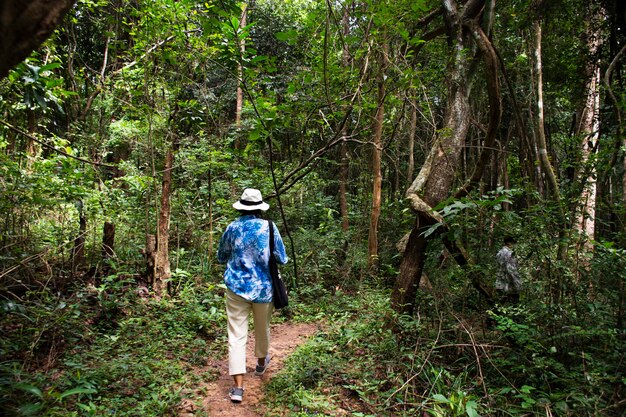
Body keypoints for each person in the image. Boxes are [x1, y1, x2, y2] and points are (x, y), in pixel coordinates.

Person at [217, 188, 288, 403]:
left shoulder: (232, 228)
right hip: (263, 288)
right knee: (262, 328)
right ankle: (260, 364)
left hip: (236, 288)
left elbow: (221, 256)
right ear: (259, 208)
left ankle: (238, 388)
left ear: (241, 207)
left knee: (236, 335)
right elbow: (282, 258)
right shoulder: (269, 227)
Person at [495, 236, 522, 303]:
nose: (513, 245)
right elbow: (511, 270)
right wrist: (517, 283)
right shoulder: (510, 253)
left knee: (501, 303)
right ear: (508, 243)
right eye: (513, 243)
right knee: (514, 302)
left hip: (500, 282)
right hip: (509, 282)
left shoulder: (499, 253)